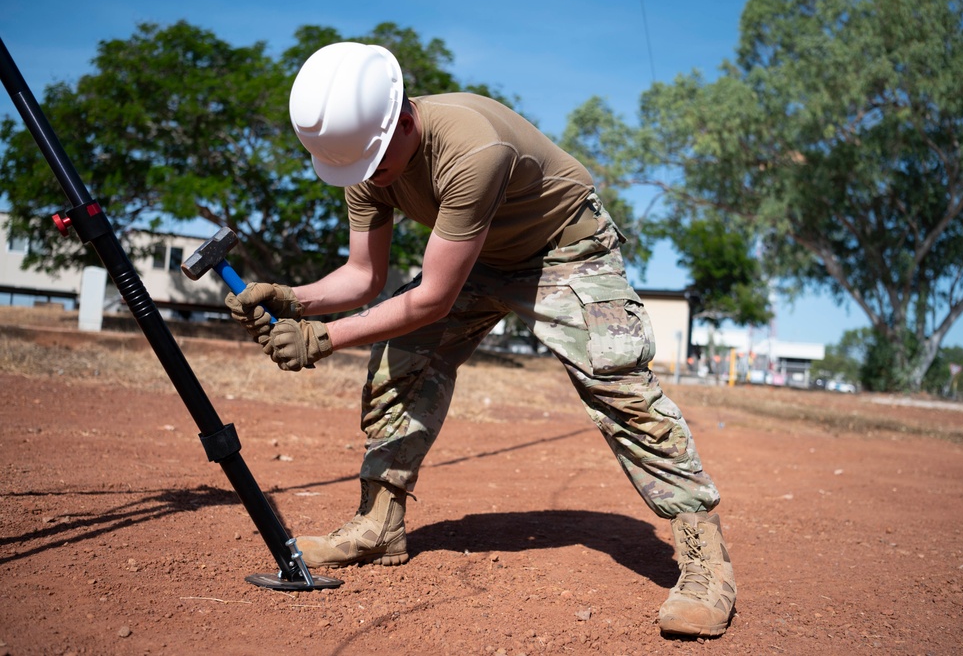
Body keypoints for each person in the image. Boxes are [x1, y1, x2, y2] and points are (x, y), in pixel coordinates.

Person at [227, 42, 736, 638]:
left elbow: (431, 298)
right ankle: (377, 524)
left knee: (616, 382)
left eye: (376, 165)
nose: (367, 178)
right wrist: (292, 298)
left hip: (562, 250)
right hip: (479, 258)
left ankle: (706, 563)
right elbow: (363, 275)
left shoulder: (471, 148)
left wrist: (322, 339)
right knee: (402, 363)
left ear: (406, 121)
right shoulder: (365, 156)